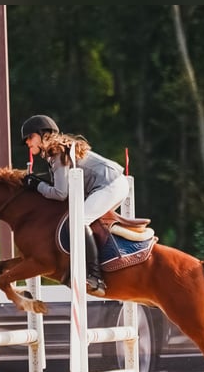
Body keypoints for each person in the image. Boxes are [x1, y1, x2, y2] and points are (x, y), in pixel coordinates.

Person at [20, 114, 129, 296]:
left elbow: (61, 194)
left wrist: (37, 185)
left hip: (110, 185)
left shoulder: (57, 153)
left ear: (43, 134)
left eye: (30, 137)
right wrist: (40, 182)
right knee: (83, 221)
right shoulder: (56, 152)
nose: (27, 143)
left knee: (78, 221)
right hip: (111, 184)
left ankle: (95, 277)